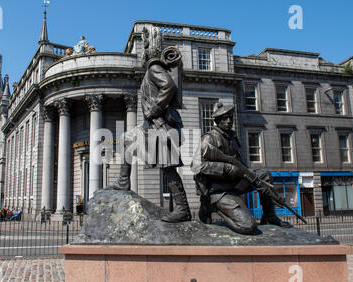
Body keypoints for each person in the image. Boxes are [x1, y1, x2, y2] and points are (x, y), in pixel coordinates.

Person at [110, 25, 191, 223]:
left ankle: (182, 209)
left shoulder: (154, 68)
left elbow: (169, 86)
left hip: (160, 125)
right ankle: (123, 182)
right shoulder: (152, 69)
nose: (143, 51)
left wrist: (155, 109)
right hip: (153, 125)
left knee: (168, 167)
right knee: (128, 139)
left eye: (145, 47)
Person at [191, 103, 291, 235]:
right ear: (217, 120)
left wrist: (248, 173)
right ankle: (209, 206)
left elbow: (238, 162)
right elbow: (196, 166)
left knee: (264, 176)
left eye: (231, 118)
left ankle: (269, 216)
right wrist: (227, 169)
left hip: (235, 184)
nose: (229, 121)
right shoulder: (209, 138)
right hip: (219, 191)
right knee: (248, 226)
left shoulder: (232, 137)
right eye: (225, 118)